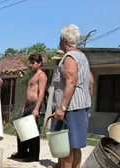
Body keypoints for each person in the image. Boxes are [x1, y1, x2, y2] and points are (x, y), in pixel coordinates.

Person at [50, 24, 91, 168]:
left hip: (70, 108)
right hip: (80, 106)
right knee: (75, 145)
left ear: (64, 40)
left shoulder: (69, 57)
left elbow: (71, 82)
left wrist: (62, 107)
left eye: (60, 39)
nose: (59, 41)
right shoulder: (82, 57)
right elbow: (90, 82)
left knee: (65, 145)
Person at [10, 53, 47, 162]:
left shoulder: (42, 75)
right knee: (23, 129)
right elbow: (29, 91)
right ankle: (22, 152)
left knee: (33, 131)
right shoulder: (32, 76)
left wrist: (36, 109)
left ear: (39, 63)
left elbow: (41, 93)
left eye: (33, 63)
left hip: (36, 105)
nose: (31, 65)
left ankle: (33, 156)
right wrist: (25, 105)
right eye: (30, 63)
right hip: (28, 105)